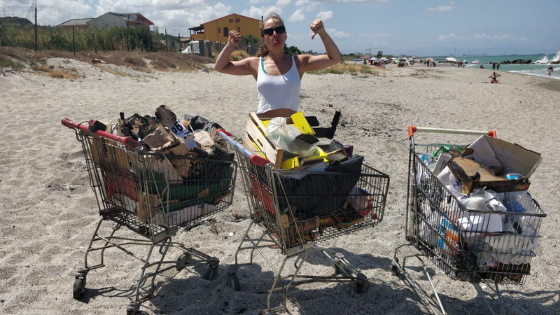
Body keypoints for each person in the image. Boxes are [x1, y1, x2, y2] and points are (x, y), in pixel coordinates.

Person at [215, 12, 342, 119]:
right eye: (269, 31)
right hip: (264, 128)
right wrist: (230, 44)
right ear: (264, 39)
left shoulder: (299, 62)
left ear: (285, 35)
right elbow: (220, 67)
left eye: (279, 30)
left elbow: (334, 58)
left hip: (292, 126)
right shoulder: (255, 63)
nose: (275, 33)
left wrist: (323, 33)